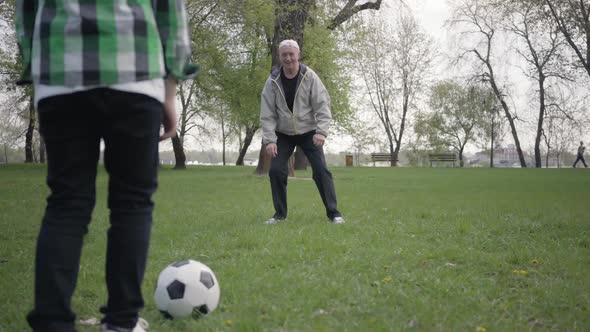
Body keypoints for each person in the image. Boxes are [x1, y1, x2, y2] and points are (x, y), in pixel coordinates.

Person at [15, 0, 197, 331]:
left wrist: (37, 68)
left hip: (60, 71)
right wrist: (170, 88)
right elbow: (169, 10)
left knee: (66, 203)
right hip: (135, 71)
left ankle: (52, 323)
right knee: (132, 204)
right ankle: (121, 322)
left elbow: (26, 10)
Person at [260, 39, 344, 225]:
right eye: (284, 55)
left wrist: (321, 131)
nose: (288, 58)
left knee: (321, 170)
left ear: (298, 55)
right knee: (275, 171)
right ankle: (280, 215)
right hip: (283, 133)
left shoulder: (310, 76)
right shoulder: (272, 81)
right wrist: (270, 140)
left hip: (309, 131)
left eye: (291, 54)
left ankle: (334, 213)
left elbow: (322, 104)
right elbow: (267, 114)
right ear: (280, 57)